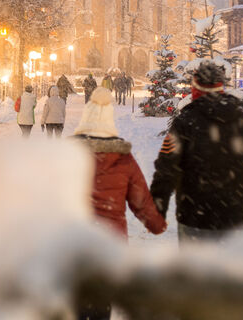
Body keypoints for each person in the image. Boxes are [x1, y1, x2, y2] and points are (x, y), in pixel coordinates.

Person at [151, 60, 243, 244]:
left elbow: (166, 168)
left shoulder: (185, 124)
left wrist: (156, 209)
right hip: (233, 219)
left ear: (195, 89)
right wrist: (241, 197)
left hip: (193, 217)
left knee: (196, 271)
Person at [74, 86, 167, 319]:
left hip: (73, 242)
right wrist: (156, 223)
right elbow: (141, 200)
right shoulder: (122, 158)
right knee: (100, 303)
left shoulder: (67, 154)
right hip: (109, 243)